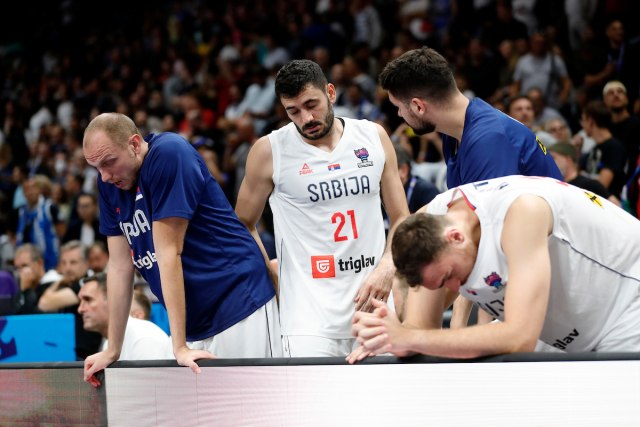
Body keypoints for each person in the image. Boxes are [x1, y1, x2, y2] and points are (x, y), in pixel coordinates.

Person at [348, 175, 640, 362]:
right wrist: (390, 336)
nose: (455, 290)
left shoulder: (521, 212)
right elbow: (419, 331)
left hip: (627, 303)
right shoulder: (432, 226)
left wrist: (409, 338)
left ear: (456, 237)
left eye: (449, 277)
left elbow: (519, 338)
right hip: (568, 325)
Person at [82, 113, 280, 387]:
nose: (104, 175)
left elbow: (168, 252)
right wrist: (113, 349)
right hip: (195, 321)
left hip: (239, 300)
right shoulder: (109, 183)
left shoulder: (169, 153)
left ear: (135, 144)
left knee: (257, 402)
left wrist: (179, 347)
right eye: (96, 167)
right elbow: (118, 266)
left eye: (109, 162)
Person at [235, 59, 410, 357]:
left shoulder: (373, 136)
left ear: (330, 92)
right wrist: (270, 274)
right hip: (308, 319)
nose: (306, 118)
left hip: (373, 307)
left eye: (311, 104)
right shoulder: (269, 151)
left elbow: (401, 216)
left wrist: (387, 266)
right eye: (293, 111)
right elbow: (242, 222)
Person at [378, 46, 563, 192]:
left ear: (419, 107)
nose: (399, 114)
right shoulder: (455, 131)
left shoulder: (488, 138)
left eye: (398, 107)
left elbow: (485, 222)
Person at [78, 272, 168, 360]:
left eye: (88, 299)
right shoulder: (109, 344)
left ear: (112, 299)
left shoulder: (143, 337)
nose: (80, 309)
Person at [38, 240, 103, 360]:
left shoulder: (87, 283)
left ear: (86, 263)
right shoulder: (68, 284)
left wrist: (59, 282)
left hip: (84, 355)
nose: (67, 268)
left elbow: (44, 303)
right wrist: (61, 282)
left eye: (73, 262)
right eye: (63, 263)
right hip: (66, 351)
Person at [581, 100, 628, 198]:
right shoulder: (593, 149)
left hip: (608, 204)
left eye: (583, 120)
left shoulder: (614, 147)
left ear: (590, 122)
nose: (582, 125)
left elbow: (602, 185)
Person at [549, 142, 620, 206]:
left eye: (553, 158)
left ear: (568, 160)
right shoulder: (555, 185)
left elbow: (615, 205)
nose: (550, 162)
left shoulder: (588, 185)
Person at [13, 243, 62, 314]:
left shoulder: (55, 283)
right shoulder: (22, 286)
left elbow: (35, 314)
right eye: (17, 268)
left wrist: (26, 291)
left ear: (39, 263)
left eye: (24, 266)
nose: (20, 272)